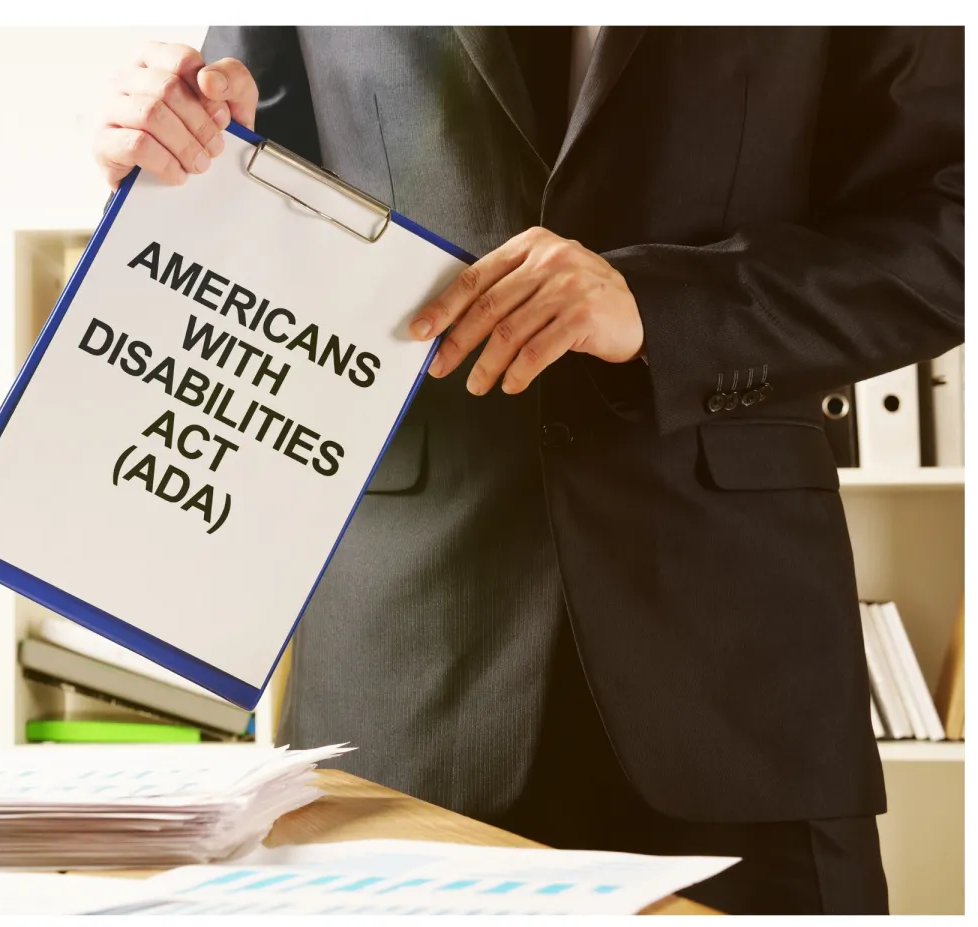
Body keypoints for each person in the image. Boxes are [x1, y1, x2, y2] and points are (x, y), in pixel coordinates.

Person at [91, 26, 964, 914]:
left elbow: (950, 221)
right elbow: (251, 204)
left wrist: (664, 304)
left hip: (737, 676)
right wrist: (176, 159)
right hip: (404, 665)